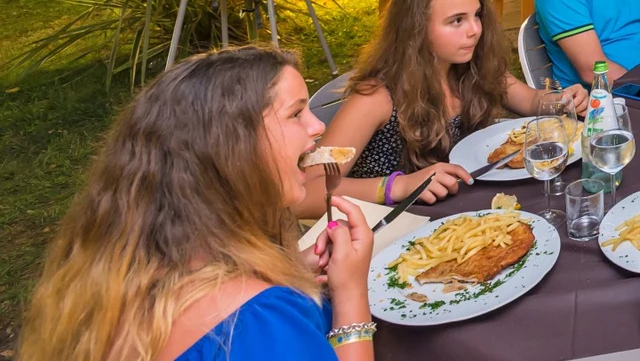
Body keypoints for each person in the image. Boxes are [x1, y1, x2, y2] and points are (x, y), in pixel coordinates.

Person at [20, 47, 377, 361]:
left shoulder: (120, 276)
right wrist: (350, 295)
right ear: (234, 150)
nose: (317, 126)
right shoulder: (257, 321)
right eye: (296, 113)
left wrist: (291, 270)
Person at [307, 0, 586, 217]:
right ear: (416, 30)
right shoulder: (376, 97)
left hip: (463, 211)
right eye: (457, 21)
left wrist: (562, 101)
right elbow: (307, 191)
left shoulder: (473, 69)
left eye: (477, 15)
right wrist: (398, 185)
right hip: (392, 226)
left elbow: (532, 101)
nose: (475, 30)